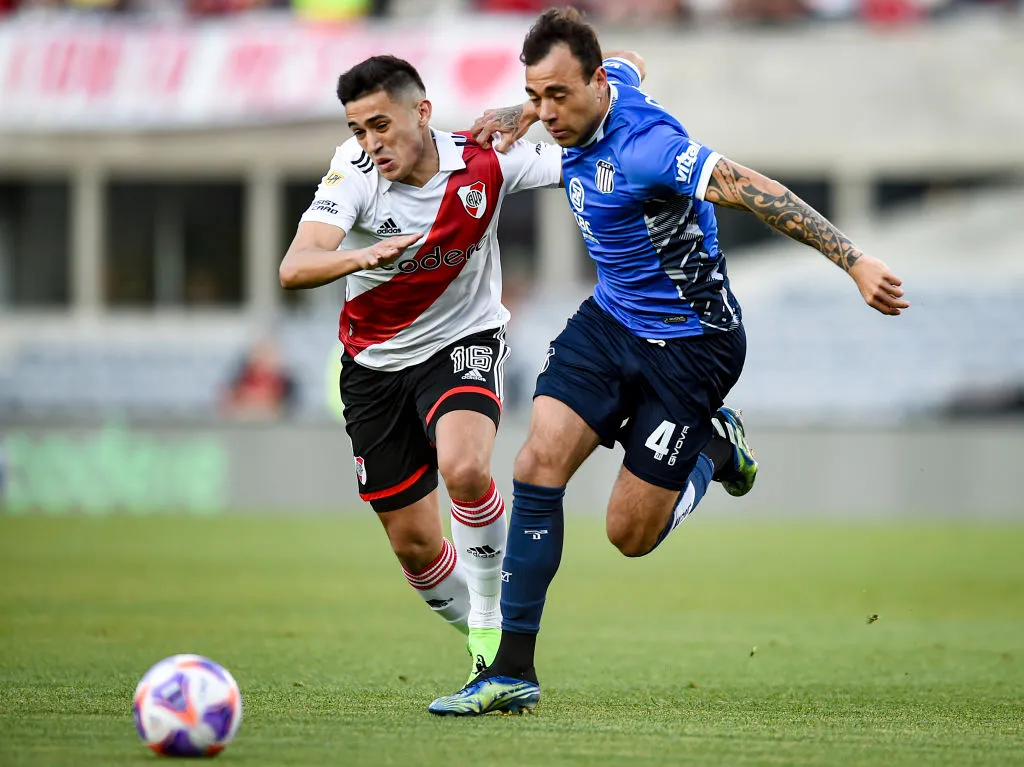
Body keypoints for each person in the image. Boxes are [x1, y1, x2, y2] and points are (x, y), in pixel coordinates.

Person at [428, 7, 908, 716]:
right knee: (535, 465)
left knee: (629, 534)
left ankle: (715, 447)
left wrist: (855, 260)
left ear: (594, 85)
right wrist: (522, 109)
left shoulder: (649, 148)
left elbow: (757, 191)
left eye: (559, 96)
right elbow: (631, 60)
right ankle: (512, 670)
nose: (547, 112)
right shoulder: (603, 80)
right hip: (612, 320)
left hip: (693, 345)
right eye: (537, 94)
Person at [278, 55, 563, 683]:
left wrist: (529, 109)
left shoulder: (488, 160)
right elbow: (295, 267)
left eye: (381, 125)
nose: (371, 143)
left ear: (423, 112)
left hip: (463, 339)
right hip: (373, 366)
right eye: (358, 129)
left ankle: (495, 627)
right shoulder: (353, 172)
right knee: (412, 542)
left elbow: (595, 128)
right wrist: (364, 255)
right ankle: (486, 645)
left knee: (464, 467)